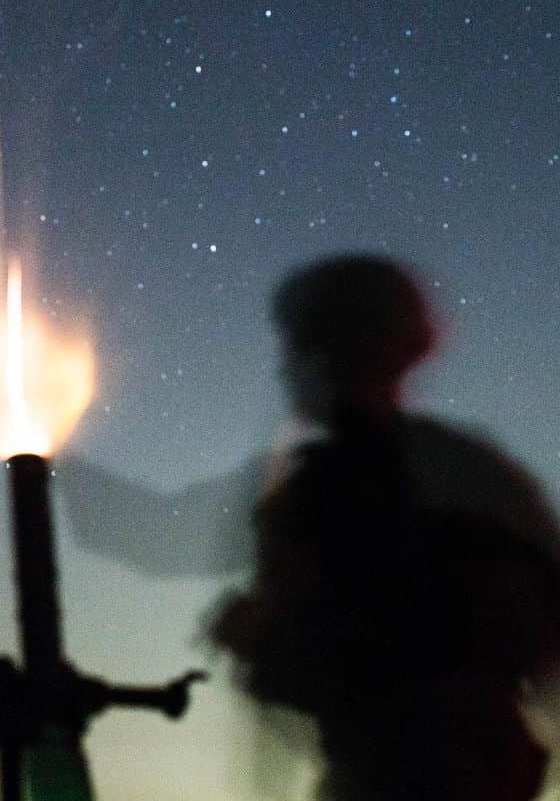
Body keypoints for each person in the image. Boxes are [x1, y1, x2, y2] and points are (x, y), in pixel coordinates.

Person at [208, 255, 560, 800]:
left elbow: (380, 652)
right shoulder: (472, 471)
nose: (285, 369)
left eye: (299, 348)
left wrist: (260, 636)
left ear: (330, 353)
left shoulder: (338, 485)